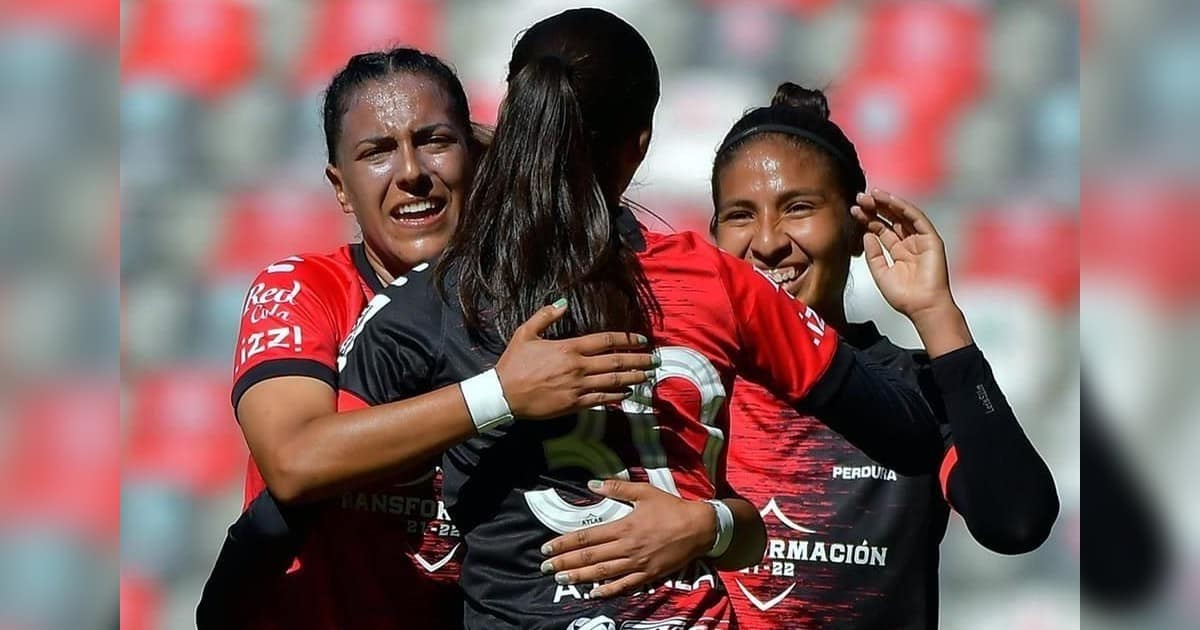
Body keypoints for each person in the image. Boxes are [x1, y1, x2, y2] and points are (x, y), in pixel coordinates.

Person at [336, 10, 945, 629]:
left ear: (515, 122)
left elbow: (312, 463)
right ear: (640, 145)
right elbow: (912, 433)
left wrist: (713, 522)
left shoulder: (438, 298)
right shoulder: (716, 282)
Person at [196, 48, 660, 629]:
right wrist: (499, 394)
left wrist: (710, 525)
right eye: (377, 152)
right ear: (340, 187)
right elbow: (294, 460)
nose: (411, 172)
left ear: (475, 159)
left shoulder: (543, 310)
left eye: (435, 141)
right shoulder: (302, 289)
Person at [706, 83, 1060, 628]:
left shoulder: (911, 389)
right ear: (712, 238)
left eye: (798, 208)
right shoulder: (685, 383)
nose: (768, 241)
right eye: (740, 215)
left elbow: (1016, 521)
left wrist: (937, 312)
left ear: (856, 229)